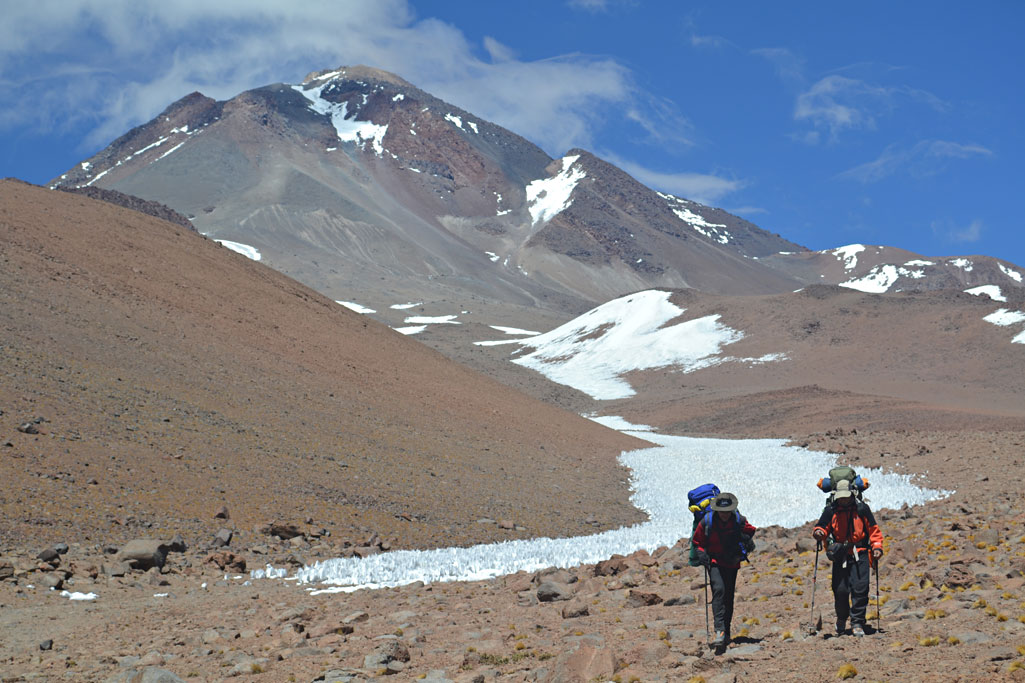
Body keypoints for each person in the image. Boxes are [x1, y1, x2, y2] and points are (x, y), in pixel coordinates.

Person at [812, 479, 884, 637]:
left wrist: (877, 547)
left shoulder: (862, 509)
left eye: (846, 496)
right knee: (841, 590)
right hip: (841, 554)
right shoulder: (831, 510)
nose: (844, 499)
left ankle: (857, 621)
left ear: (852, 494)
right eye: (841, 497)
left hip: (861, 552)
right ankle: (842, 618)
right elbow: (822, 526)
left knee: (861, 589)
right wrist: (819, 533)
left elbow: (873, 529)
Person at [691, 492, 757, 647]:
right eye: (722, 512)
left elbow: (750, 530)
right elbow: (697, 541)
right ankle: (719, 631)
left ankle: (726, 632)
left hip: (732, 562)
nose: (725, 515)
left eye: (727, 512)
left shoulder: (738, 520)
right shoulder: (707, 522)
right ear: (716, 510)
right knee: (719, 591)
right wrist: (702, 554)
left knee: (728, 596)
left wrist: (744, 539)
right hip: (714, 561)